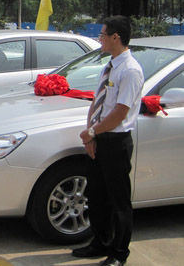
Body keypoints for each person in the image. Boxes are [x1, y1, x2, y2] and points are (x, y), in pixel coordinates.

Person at [73, 15, 144, 266]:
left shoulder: (130, 70)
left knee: (118, 200)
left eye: (102, 34)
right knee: (96, 195)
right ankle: (100, 242)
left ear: (116, 37)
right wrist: (91, 133)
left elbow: (120, 112)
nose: (99, 39)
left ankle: (118, 253)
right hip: (100, 137)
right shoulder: (110, 66)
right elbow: (98, 102)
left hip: (116, 142)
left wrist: (93, 133)